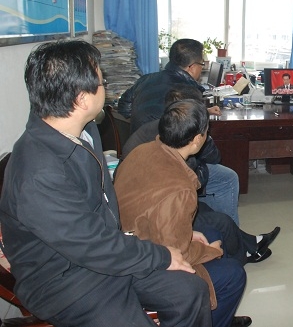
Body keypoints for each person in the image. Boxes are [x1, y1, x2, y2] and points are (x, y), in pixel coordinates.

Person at [0, 40, 210, 326]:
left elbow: (101, 223)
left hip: (105, 256)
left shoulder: (85, 130)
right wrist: (160, 255)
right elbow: (91, 245)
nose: (105, 87)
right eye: (102, 82)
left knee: (191, 291)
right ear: (81, 99)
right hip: (68, 283)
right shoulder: (39, 173)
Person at [114, 99, 250, 327]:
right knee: (233, 273)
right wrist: (210, 251)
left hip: (130, 241)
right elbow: (177, 253)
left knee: (213, 230)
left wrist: (190, 235)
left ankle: (217, 312)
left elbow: (155, 213)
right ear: (197, 139)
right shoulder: (180, 188)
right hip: (147, 265)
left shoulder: (141, 151)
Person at [121, 85, 280, 264]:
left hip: (141, 203)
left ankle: (251, 244)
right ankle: (240, 257)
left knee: (208, 209)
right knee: (222, 217)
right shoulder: (181, 165)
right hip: (148, 219)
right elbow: (175, 241)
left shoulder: (157, 136)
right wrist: (208, 251)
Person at [118, 38, 239, 222]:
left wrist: (149, 121)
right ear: (191, 67)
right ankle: (219, 228)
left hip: (135, 158)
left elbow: (124, 107)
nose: (202, 69)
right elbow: (207, 152)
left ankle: (204, 220)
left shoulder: (146, 79)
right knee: (227, 178)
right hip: (165, 166)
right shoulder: (187, 91)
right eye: (201, 65)